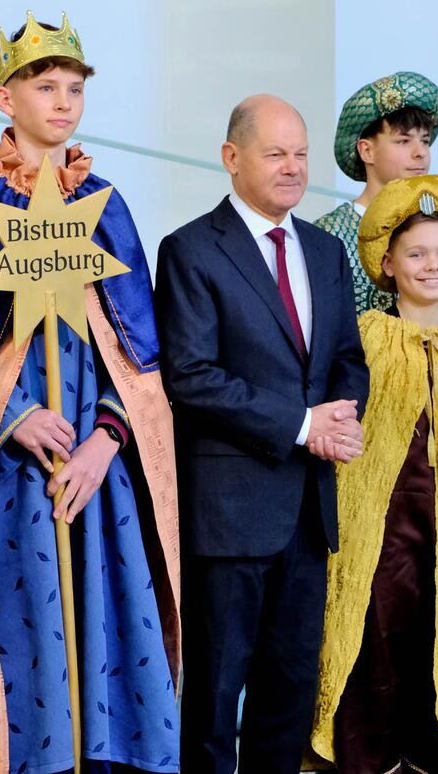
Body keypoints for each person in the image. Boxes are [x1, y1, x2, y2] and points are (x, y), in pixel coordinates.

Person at [0, 12, 181, 774]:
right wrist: (10, 413)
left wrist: (107, 438)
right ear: (7, 98)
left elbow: (136, 347)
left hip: (89, 462)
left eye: (74, 88)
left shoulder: (103, 201)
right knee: (29, 624)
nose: (65, 102)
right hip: (13, 465)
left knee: (100, 614)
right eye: (47, 86)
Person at [155, 94, 370, 774]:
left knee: (289, 694)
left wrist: (341, 413)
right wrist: (304, 424)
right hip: (229, 517)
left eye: (301, 154)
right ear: (232, 157)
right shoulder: (191, 249)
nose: (293, 167)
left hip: (309, 514)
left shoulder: (327, 251)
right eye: (276, 153)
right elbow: (190, 375)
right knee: (216, 699)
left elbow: (347, 359)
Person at [309, 174, 438, 773]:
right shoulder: (367, 335)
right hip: (382, 524)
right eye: (415, 253)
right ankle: (370, 757)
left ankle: (434, 753)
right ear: (388, 264)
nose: (431, 265)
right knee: (377, 638)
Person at [316, 71, 438, 316]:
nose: (420, 152)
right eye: (403, 141)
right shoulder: (329, 235)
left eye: (425, 141)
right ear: (366, 151)